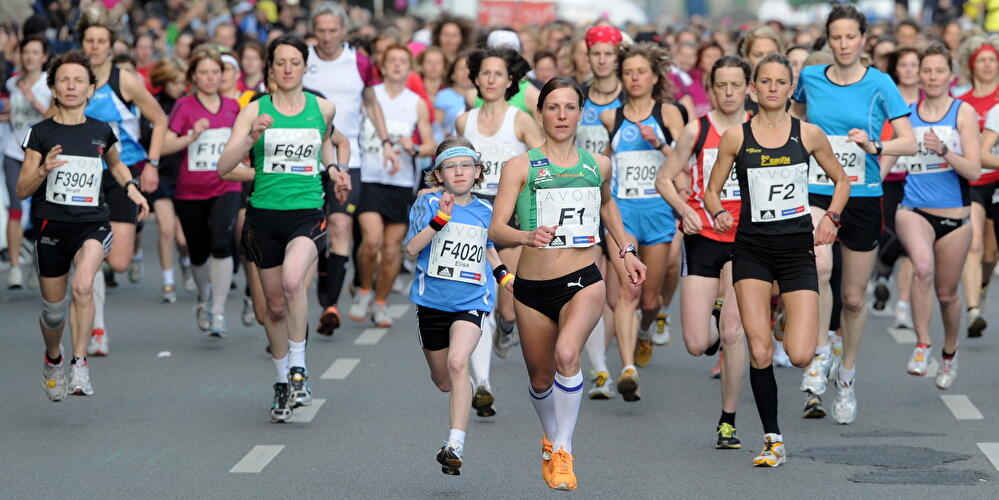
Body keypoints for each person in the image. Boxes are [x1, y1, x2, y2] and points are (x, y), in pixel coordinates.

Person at [489, 76, 646, 490]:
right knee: (540, 380)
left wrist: (626, 251)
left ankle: (564, 449)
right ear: (539, 114)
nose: (561, 116)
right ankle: (550, 438)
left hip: (583, 279)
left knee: (567, 353)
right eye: (553, 108)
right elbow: (496, 228)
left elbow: (607, 206)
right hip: (532, 288)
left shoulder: (598, 165)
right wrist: (525, 236)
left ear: (581, 113)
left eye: (570, 107)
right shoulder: (519, 167)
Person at [705, 53, 849, 467]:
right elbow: (713, 190)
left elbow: (841, 181)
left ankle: (788, 316)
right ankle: (773, 439)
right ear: (754, 88)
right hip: (751, 250)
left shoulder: (808, 135)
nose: (771, 88)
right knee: (760, 349)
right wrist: (715, 210)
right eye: (764, 81)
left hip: (795, 252)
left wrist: (832, 219)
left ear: (790, 89)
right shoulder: (736, 137)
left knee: (802, 355)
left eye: (779, 82)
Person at [791, 4, 916, 424]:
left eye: (851, 37)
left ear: (863, 39)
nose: (844, 45)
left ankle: (846, 376)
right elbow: (794, 120)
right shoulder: (809, 78)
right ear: (828, 39)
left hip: (862, 195)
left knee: (854, 297)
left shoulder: (880, 84)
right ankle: (822, 352)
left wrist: (875, 147)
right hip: (816, 190)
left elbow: (909, 141)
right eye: (837, 37)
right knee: (821, 266)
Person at [217, 34, 350, 422]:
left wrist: (334, 170)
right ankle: (282, 382)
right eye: (281, 63)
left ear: (305, 67)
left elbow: (324, 145)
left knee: (294, 282)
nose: (288, 69)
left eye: (295, 62)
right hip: (263, 215)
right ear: (270, 69)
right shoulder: (253, 110)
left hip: (307, 213)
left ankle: (299, 369)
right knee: (273, 307)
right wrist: (252, 137)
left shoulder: (323, 107)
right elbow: (224, 167)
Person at [16, 51, 149, 400]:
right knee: (53, 314)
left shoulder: (101, 131)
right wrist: (43, 171)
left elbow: (117, 166)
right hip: (52, 227)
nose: (72, 86)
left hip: (93, 223)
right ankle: (54, 357)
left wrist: (132, 189)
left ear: (91, 89)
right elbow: (22, 188)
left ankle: (80, 364)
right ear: (54, 89)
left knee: (85, 287)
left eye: (79, 80)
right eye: (64, 80)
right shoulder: (40, 134)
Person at [657, 55, 751, 448]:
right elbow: (664, 179)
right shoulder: (697, 130)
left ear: (748, 88)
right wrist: (684, 212)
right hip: (703, 237)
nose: (728, 92)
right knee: (697, 343)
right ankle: (714, 314)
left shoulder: (759, 129)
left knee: (733, 332)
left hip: (746, 240)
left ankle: (728, 420)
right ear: (711, 89)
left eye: (735, 85)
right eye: (721, 86)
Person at [404, 137, 512, 475]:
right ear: (439, 174)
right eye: (451, 166)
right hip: (431, 301)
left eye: (466, 165)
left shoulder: (486, 211)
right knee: (444, 380)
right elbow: (411, 248)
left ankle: (455, 444)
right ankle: (457, 401)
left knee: (458, 361)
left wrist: (504, 277)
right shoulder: (427, 204)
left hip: (472, 299)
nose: (460, 172)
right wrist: (440, 221)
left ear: (478, 171)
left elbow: (489, 247)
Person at [884, 43, 980, 389]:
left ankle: (949, 352)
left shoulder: (962, 113)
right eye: (927, 71)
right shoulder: (906, 114)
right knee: (921, 266)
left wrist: (944, 151)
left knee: (947, 294)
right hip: (914, 209)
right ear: (919, 75)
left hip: (955, 216)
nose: (933, 77)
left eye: (940, 71)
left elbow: (973, 170)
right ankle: (922, 344)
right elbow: (890, 158)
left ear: (951, 75)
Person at [455, 45, 543, 415]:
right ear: (475, 79)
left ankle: (506, 330)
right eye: (484, 73)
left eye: (498, 74)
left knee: (507, 306)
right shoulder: (465, 122)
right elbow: (453, 167)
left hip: (510, 220)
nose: (490, 80)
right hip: (473, 218)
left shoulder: (520, 119)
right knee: (478, 300)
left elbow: (542, 164)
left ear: (510, 81)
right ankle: (483, 384)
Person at [303, 2, 398, 337]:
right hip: (304, 158)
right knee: (312, 232)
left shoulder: (358, 61)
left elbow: (371, 102)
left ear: (343, 31)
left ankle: (330, 306)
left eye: (333, 31)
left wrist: (385, 140)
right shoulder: (304, 58)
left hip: (349, 158)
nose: (327, 38)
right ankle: (322, 279)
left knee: (342, 226)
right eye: (322, 31)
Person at [79, 11, 168, 357]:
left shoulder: (125, 81)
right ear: (82, 44)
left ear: (111, 46)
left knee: (116, 260)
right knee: (90, 252)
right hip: (83, 175)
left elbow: (159, 120)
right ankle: (97, 328)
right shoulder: (72, 80)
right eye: (90, 41)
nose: (96, 47)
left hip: (122, 174)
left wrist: (153, 164)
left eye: (101, 41)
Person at [599, 42, 684, 400]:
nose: (634, 78)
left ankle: (646, 331)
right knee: (626, 292)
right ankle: (628, 367)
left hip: (660, 214)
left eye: (641, 72)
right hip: (624, 213)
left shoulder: (669, 113)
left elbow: (684, 163)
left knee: (650, 301)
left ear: (654, 77)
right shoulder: (611, 117)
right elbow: (606, 162)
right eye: (628, 72)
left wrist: (660, 143)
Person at [161, 47, 243, 336]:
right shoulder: (184, 106)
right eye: (204, 73)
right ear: (194, 76)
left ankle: (218, 310)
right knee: (198, 252)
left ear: (222, 75)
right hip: (191, 191)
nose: (210, 78)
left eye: (215, 72)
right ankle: (204, 297)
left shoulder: (234, 107)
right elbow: (165, 145)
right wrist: (191, 136)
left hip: (227, 184)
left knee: (221, 242)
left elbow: (245, 144)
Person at [350, 43, 435, 327]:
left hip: (400, 184)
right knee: (371, 240)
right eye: (392, 61)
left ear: (409, 69)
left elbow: (430, 145)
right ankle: (364, 289)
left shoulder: (416, 103)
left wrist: (414, 147)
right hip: (371, 178)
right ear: (383, 67)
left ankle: (381, 303)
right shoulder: (370, 96)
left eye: (403, 61)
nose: (397, 65)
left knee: (390, 250)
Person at [872, 48, 921, 325]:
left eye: (916, 64)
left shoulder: (929, 101)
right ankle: (883, 271)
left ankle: (903, 304)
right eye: (905, 64)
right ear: (897, 69)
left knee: (913, 243)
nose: (911, 70)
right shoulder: (885, 99)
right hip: (889, 178)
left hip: (919, 178)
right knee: (890, 236)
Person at [956, 35, 999, 338]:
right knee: (973, 242)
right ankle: (972, 311)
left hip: (996, 180)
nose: (987, 65)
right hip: (971, 180)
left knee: (990, 254)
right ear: (971, 66)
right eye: (981, 60)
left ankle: (981, 286)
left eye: (992, 60)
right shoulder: (962, 101)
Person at [145, 56, 195, 304]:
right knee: (166, 229)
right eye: (175, 81)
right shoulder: (154, 106)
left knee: (184, 237)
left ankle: (186, 262)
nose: (179, 86)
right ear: (164, 81)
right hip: (162, 173)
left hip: (185, 174)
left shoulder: (188, 105)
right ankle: (167, 281)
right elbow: (148, 139)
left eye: (182, 81)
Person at [2, 35, 50, 289]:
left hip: (40, 156)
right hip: (14, 152)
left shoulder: (48, 84)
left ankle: (38, 262)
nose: (30, 57)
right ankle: (14, 268)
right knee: (15, 208)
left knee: (43, 211)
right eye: (26, 52)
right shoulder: (12, 83)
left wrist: (33, 99)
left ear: (43, 57)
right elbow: (12, 116)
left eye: (35, 52)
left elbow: (53, 116)